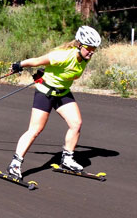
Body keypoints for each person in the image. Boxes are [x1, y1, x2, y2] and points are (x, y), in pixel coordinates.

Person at [6, 25, 102, 177]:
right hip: (46, 92)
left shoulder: (85, 57)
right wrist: (19, 65)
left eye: (94, 49)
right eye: (89, 48)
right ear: (79, 45)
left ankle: (68, 159)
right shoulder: (63, 55)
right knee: (35, 130)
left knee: (76, 124)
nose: (91, 52)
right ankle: (15, 164)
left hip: (62, 92)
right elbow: (38, 61)